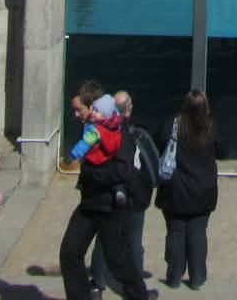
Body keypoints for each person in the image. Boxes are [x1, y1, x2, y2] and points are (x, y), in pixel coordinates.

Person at [59, 80, 152, 300]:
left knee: (118, 262)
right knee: (70, 254)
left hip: (111, 207)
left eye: (78, 109)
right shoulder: (90, 128)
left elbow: (122, 170)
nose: (76, 115)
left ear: (92, 107)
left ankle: (139, 296)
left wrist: (89, 172)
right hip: (90, 203)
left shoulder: (120, 132)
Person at [155, 90, 227, 290]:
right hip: (202, 191)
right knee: (197, 232)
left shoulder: (172, 124)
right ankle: (197, 278)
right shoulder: (210, 128)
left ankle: (174, 276)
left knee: (176, 232)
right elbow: (224, 151)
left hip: (174, 189)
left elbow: (157, 143)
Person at [92, 90, 153, 294]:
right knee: (134, 239)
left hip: (111, 188)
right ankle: (136, 284)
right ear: (130, 107)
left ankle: (98, 280)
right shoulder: (137, 131)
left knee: (103, 239)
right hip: (133, 189)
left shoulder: (102, 131)